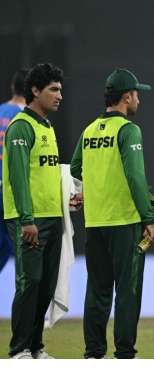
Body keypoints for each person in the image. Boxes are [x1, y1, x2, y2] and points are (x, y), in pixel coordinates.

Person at [70, 68, 154, 359]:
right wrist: (148, 219)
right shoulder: (128, 130)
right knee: (127, 290)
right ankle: (124, 355)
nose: (139, 100)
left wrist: (94, 189)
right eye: (136, 94)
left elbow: (74, 169)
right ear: (126, 97)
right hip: (125, 223)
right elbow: (135, 176)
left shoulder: (89, 131)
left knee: (97, 292)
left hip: (95, 223)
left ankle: (94, 353)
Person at [3, 63, 65, 359]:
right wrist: (27, 219)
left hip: (52, 217)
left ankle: (35, 347)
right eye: (53, 89)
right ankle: (18, 350)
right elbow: (17, 177)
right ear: (35, 91)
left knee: (46, 284)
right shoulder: (21, 126)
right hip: (29, 219)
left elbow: (46, 175)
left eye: (60, 89)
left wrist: (68, 200)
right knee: (30, 281)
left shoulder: (47, 128)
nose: (59, 95)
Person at [0, 68, 28, 275]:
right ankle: (24, 303)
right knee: (22, 248)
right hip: (12, 193)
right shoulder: (29, 120)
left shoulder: (0, 111)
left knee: (4, 246)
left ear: (12, 87)